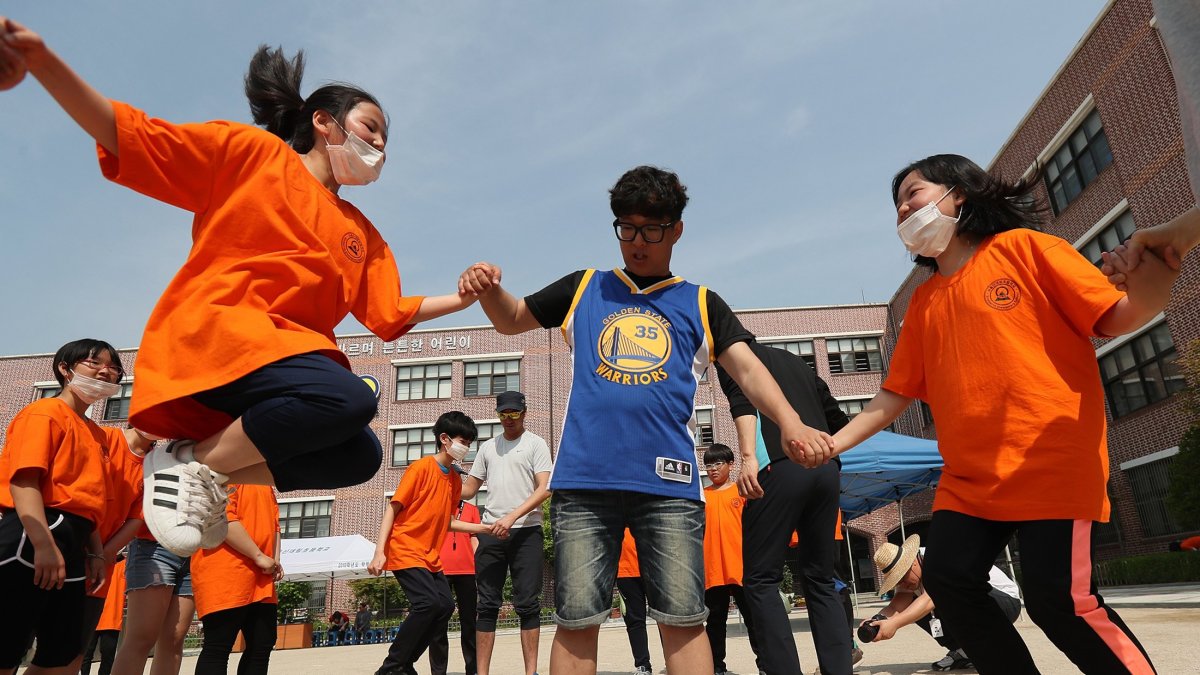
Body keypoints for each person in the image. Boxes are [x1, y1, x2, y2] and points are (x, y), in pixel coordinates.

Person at [0, 16, 480, 558]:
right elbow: (134, 135)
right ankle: (198, 464)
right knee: (347, 397)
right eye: (370, 127)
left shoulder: (360, 233)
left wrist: (465, 298)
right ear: (324, 122)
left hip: (275, 370)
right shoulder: (256, 157)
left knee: (360, 456)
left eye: (386, 138)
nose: (380, 144)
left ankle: (199, 463)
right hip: (220, 337)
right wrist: (43, 64)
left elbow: (389, 312)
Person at [459, 165, 834, 675]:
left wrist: (790, 422)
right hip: (584, 482)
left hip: (670, 488)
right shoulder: (585, 286)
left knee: (683, 618)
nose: (637, 241)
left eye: (651, 229)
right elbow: (512, 318)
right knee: (575, 619)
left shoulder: (701, 302)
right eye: (626, 228)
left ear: (676, 229)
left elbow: (748, 368)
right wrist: (487, 289)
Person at [830, 154, 1172, 674]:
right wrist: (832, 443)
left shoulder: (1027, 250)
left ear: (958, 195)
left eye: (912, 194)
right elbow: (892, 397)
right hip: (970, 479)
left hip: (1050, 459)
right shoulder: (922, 303)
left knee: (1059, 602)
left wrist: (1154, 282)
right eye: (896, 204)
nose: (902, 210)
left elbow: (1120, 315)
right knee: (949, 582)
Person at [718, 340, 853, 675]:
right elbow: (838, 420)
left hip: (778, 467)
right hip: (825, 470)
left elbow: (743, 403)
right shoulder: (796, 364)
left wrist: (748, 458)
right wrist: (827, 460)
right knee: (821, 579)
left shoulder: (732, 357)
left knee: (761, 579)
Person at [0, 339, 117, 675]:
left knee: (61, 653)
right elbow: (23, 482)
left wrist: (94, 553)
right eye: (94, 364)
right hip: (33, 533)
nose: (105, 372)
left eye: (113, 369)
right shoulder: (44, 412)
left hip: (74, 539)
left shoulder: (97, 433)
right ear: (65, 369)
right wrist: (42, 543)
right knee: (7, 645)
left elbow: (89, 500)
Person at [368, 412, 491, 675]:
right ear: (444, 439)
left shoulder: (454, 480)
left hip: (430, 557)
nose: (466, 447)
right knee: (428, 604)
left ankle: (404, 663)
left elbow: (447, 522)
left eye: (469, 442)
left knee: (444, 606)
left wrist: (482, 528)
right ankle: (391, 667)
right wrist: (379, 552)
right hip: (405, 548)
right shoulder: (421, 468)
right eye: (462, 441)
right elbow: (393, 508)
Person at [461, 391, 552, 675]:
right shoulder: (488, 448)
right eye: (504, 414)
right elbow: (469, 490)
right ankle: (482, 672)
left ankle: (531, 672)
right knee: (486, 605)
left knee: (527, 604)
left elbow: (545, 488)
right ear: (498, 415)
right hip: (491, 531)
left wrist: (513, 516)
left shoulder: (536, 444)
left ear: (524, 413)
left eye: (514, 413)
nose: (509, 419)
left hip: (527, 532)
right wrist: (442, 472)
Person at [860, 535, 1021, 672]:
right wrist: (878, 620)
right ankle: (963, 652)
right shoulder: (909, 578)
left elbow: (930, 599)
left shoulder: (936, 560)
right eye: (897, 581)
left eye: (902, 577)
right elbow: (896, 607)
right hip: (981, 604)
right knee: (913, 607)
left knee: (938, 595)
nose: (902, 583)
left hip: (1005, 602)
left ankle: (996, 650)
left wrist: (894, 624)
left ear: (913, 563)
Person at [72, 426, 151, 674]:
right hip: (68, 547)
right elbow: (86, 495)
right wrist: (97, 549)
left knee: (75, 651)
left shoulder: (153, 466)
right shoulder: (103, 438)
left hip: (99, 566)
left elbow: (137, 517)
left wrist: (105, 553)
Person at [190, 484, 281, 674]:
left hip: (261, 575)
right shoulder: (227, 469)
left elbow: (275, 525)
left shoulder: (264, 482)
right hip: (225, 570)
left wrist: (274, 560)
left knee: (262, 643)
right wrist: (258, 556)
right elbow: (221, 518)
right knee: (219, 645)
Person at [700, 444, 759, 675]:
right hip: (712, 570)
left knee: (755, 621)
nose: (713, 469)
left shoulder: (742, 492)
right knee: (715, 624)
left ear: (731, 464)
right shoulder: (702, 496)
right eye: (708, 465)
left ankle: (765, 665)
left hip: (741, 568)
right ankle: (716, 668)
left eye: (718, 463)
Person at [428, 499, 480, 675]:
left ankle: (473, 669)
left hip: (467, 571)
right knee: (438, 624)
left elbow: (474, 538)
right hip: (439, 569)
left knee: (470, 623)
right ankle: (438, 672)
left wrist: (478, 563)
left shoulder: (472, 509)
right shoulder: (436, 505)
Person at [615, 529, 653, 675]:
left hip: (654, 565)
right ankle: (643, 665)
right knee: (634, 622)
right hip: (625, 569)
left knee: (666, 620)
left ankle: (673, 661)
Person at [81, 556, 126, 675]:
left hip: (112, 619)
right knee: (85, 656)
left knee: (108, 656)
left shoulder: (124, 564)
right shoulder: (94, 560)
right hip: (92, 616)